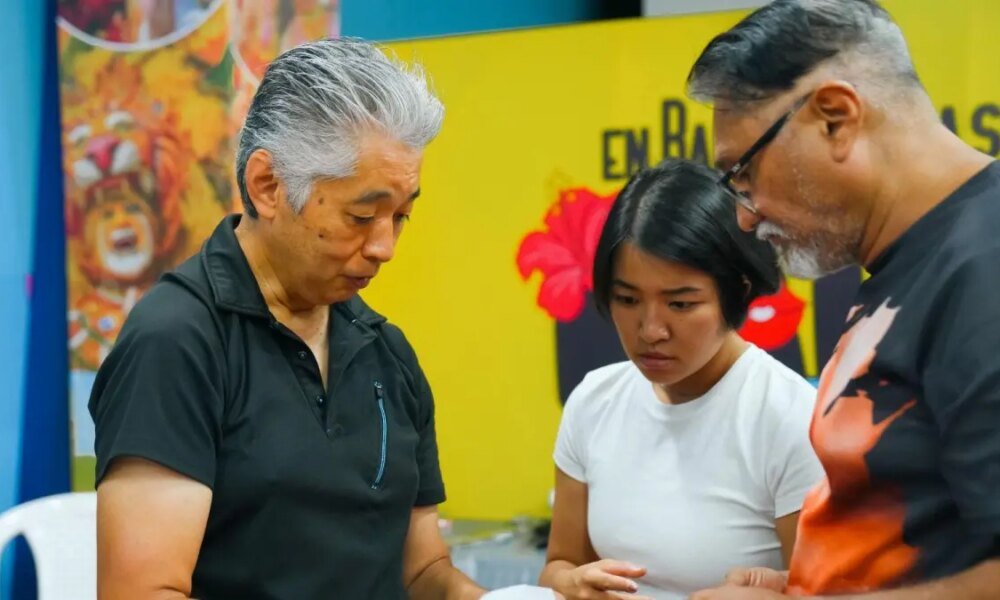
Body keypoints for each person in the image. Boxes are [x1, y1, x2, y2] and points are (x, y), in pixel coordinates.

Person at [90, 38, 505, 599]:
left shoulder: (385, 353)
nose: (385, 247)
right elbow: (143, 591)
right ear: (268, 186)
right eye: (362, 215)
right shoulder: (177, 343)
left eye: (401, 216)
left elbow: (422, 572)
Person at [685, 1, 1000, 598]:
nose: (743, 217)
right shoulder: (914, 261)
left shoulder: (985, 267)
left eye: (743, 174)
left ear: (835, 117)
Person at [538, 159, 823, 600]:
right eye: (628, 299)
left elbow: (821, 591)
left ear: (738, 291)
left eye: (681, 304)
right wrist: (571, 585)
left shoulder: (788, 417)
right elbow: (561, 566)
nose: (651, 330)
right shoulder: (594, 401)